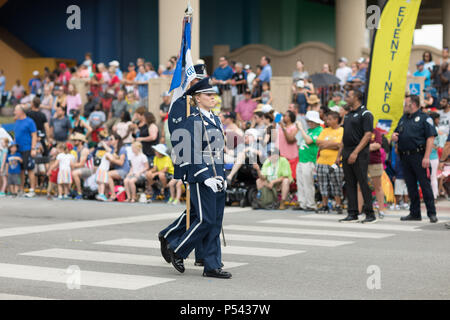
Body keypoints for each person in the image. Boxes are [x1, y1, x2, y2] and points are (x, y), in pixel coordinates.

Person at [165, 78, 231, 279]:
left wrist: (222, 175)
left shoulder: (215, 119)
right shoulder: (193, 120)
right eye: (208, 95)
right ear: (197, 98)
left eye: (213, 95)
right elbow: (189, 151)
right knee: (205, 220)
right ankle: (178, 249)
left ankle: (212, 265)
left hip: (216, 177)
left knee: (215, 223)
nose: (213, 98)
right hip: (201, 178)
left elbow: (217, 151)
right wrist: (204, 177)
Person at [391, 95, 438, 223]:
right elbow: (397, 133)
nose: (404, 106)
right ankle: (415, 213)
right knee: (411, 186)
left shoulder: (424, 118)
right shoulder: (403, 118)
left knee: (424, 185)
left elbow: (430, 137)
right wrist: (394, 137)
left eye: (406, 103)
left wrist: (427, 156)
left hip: (419, 155)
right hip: (405, 156)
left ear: (413, 104)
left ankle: (431, 213)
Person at [336, 90, 376, 223]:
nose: (347, 97)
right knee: (350, 183)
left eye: (349, 95)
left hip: (359, 152)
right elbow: (344, 136)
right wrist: (339, 155)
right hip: (346, 150)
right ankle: (352, 213)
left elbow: (367, 135)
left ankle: (370, 213)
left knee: (363, 182)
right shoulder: (348, 115)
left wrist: (355, 152)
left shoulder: (366, 114)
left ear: (357, 98)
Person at [315, 111, 344, 214]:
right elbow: (318, 142)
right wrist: (332, 144)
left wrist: (325, 145)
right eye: (327, 119)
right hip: (321, 161)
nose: (328, 121)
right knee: (323, 184)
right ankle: (324, 205)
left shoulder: (342, 130)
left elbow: (340, 144)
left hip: (335, 162)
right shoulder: (325, 130)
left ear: (336, 119)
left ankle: (338, 204)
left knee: (336, 183)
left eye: (330, 119)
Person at [294, 111, 323, 212]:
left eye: (311, 121)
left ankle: (311, 204)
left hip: (310, 160)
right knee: (300, 182)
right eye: (308, 121)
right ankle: (302, 203)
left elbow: (309, 141)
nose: (309, 123)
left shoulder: (319, 130)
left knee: (308, 183)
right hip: (302, 159)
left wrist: (301, 129)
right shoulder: (309, 130)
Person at [357, 128, 386, 218]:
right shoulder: (358, 131)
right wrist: (367, 147)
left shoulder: (375, 132)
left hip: (375, 162)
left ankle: (381, 210)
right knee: (360, 187)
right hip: (361, 162)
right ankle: (359, 211)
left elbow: (377, 145)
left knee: (378, 186)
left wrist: (361, 147)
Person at [14, 104, 37, 197]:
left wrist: (33, 148)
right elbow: (16, 135)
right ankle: (21, 189)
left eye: (16, 110)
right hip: (18, 149)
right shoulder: (17, 121)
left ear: (21, 111)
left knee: (30, 169)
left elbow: (34, 135)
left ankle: (32, 190)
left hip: (27, 148)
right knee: (21, 170)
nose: (14, 112)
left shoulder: (30, 122)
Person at [71, 133, 94, 200]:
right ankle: (71, 190)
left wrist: (72, 165)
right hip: (83, 168)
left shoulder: (84, 150)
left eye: (75, 140)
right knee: (69, 171)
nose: (74, 142)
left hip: (88, 169)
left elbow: (81, 164)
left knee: (74, 173)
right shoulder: (77, 149)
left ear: (80, 142)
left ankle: (79, 192)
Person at [277, 110, 299, 180]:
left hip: (291, 158)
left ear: (290, 118)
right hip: (281, 157)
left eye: (285, 116)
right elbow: (273, 124)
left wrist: (284, 128)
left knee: (291, 179)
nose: (283, 117)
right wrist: (277, 116)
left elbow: (290, 140)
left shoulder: (295, 127)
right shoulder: (281, 127)